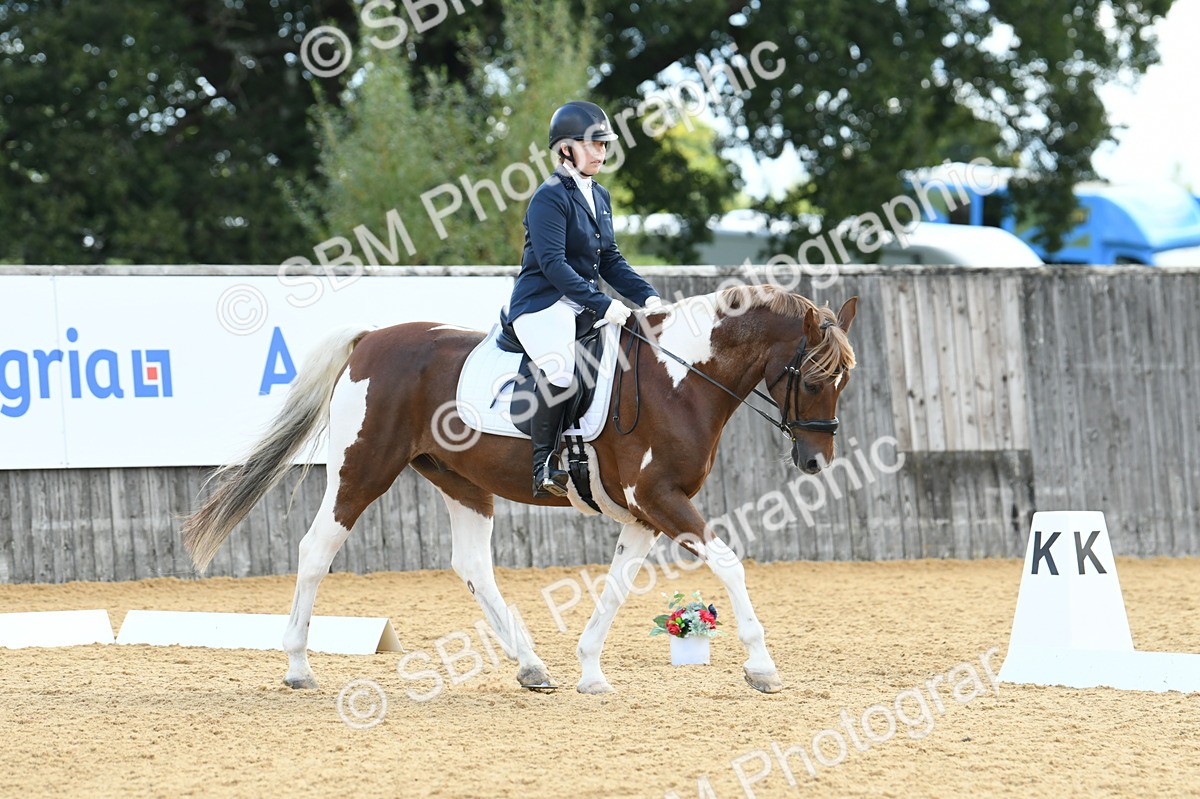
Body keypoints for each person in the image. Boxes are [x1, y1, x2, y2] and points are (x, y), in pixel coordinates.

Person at [502, 100, 664, 498]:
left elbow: (608, 258)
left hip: (579, 304)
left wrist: (648, 296)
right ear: (565, 149)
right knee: (560, 370)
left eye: (604, 145)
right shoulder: (548, 197)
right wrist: (604, 304)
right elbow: (554, 265)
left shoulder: (600, 195)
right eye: (592, 145)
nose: (601, 153)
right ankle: (543, 465)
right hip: (540, 304)